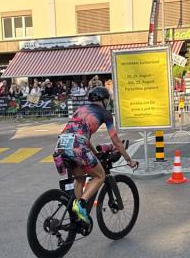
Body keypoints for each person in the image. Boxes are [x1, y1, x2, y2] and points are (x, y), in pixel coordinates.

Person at [53, 86, 138, 224]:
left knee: (80, 178)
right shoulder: (105, 113)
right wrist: (128, 159)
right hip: (77, 145)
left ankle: (79, 216)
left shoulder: (80, 109)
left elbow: (83, 138)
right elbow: (115, 140)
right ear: (104, 100)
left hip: (61, 144)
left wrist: (95, 153)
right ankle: (81, 204)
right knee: (100, 176)